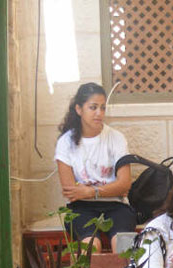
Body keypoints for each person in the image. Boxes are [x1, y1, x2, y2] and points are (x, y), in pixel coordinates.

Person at [55, 82, 136, 253]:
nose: (99, 113)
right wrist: (110, 188)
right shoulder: (65, 142)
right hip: (81, 208)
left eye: (102, 108)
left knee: (123, 245)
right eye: (93, 107)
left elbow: (124, 184)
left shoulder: (116, 138)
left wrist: (90, 191)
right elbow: (71, 191)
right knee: (91, 246)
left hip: (117, 206)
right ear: (79, 109)